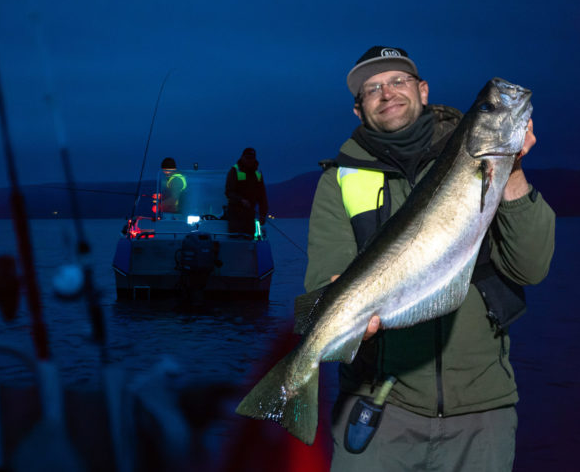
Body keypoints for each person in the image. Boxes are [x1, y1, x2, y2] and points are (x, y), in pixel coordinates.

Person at [304, 46, 555, 470]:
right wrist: (342, 324)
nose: (387, 93)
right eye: (372, 89)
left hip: (482, 411)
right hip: (377, 410)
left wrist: (509, 168)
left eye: (398, 81)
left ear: (423, 90)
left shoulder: (471, 158)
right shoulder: (338, 181)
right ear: (358, 109)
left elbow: (531, 268)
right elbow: (322, 283)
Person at [225, 147, 269, 234]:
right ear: (242, 157)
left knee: (249, 239)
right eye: (247, 157)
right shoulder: (235, 170)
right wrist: (241, 200)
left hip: (250, 213)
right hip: (235, 213)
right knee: (236, 239)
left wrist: (263, 214)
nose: (250, 160)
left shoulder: (258, 173)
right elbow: (229, 192)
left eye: (252, 158)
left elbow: (262, 196)